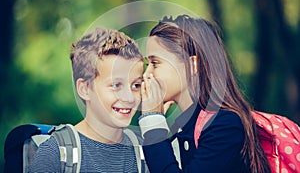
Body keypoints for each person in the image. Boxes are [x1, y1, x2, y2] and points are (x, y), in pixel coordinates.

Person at [138, 15, 271, 173]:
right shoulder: (184, 127)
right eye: (148, 64)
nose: (146, 74)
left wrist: (152, 122)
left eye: (155, 63)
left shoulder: (225, 125)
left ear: (192, 64)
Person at [29, 27, 146, 172]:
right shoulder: (56, 153)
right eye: (116, 85)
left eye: (136, 85)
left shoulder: (144, 152)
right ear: (84, 89)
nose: (129, 97)